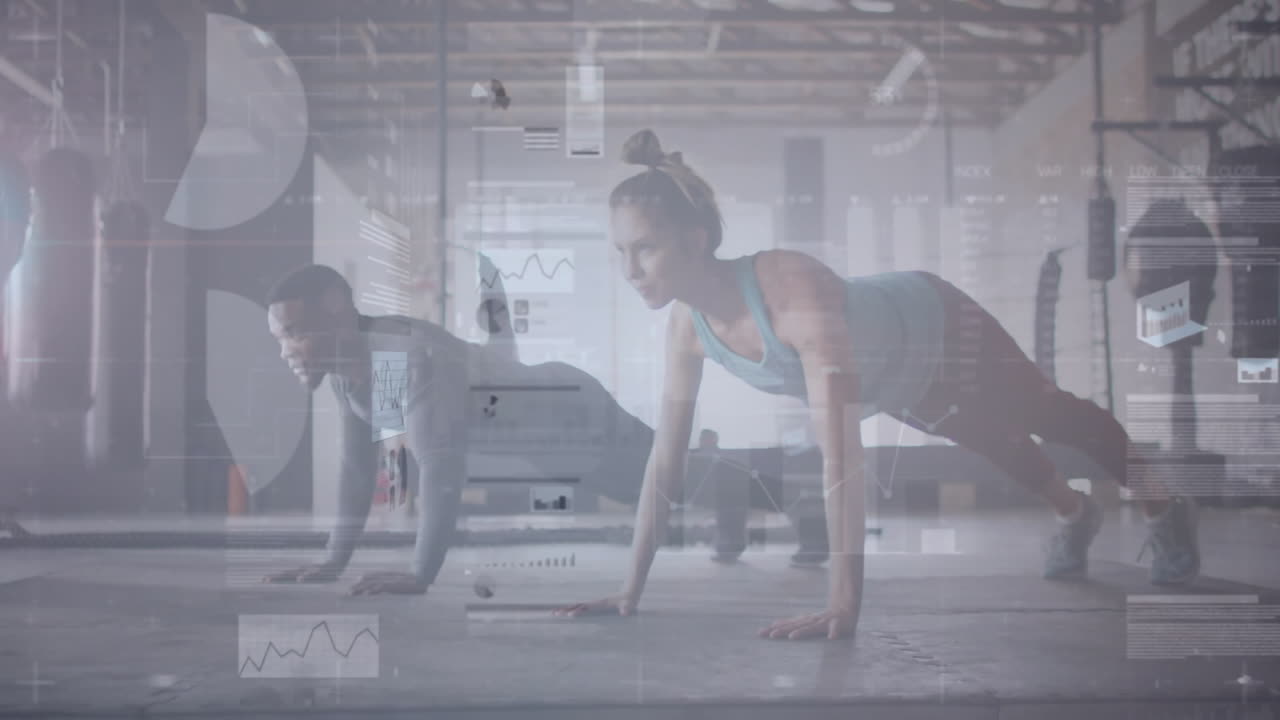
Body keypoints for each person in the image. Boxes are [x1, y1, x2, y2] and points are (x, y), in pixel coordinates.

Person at [554, 129, 1202, 641]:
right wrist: (628, 590)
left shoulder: (789, 292)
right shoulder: (686, 329)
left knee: (1045, 413)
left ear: (694, 240)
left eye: (644, 248)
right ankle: (1075, 511)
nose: (630, 270)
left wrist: (843, 604)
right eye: (620, 252)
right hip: (899, 380)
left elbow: (842, 459)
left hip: (938, 323)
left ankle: (1162, 507)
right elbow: (663, 466)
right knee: (991, 442)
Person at [259, 264, 774, 594]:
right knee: (662, 484)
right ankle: (745, 489)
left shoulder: (403, 355)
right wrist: (333, 560)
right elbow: (356, 468)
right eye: (283, 338)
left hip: (570, 414)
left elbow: (440, 465)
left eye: (297, 333)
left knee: (664, 482)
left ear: (338, 309)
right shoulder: (350, 370)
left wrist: (420, 574)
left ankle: (784, 486)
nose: (288, 351)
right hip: (547, 441)